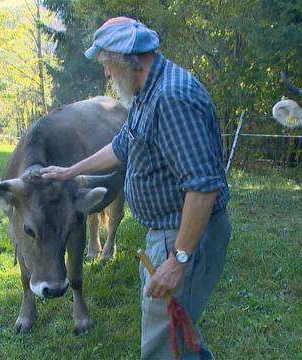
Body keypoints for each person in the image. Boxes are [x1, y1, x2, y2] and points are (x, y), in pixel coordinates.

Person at [40, 17, 231, 359]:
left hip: (183, 235)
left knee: (164, 341)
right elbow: (122, 145)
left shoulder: (173, 98)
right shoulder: (146, 93)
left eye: (106, 63)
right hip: (167, 234)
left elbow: (203, 189)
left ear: (128, 59)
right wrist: (70, 171)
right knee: (177, 328)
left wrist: (178, 259)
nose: (106, 75)